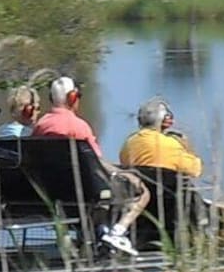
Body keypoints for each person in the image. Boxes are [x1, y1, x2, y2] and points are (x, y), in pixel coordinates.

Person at [33, 76, 149, 256]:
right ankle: (116, 231)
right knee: (141, 191)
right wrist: (124, 173)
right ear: (72, 98)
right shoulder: (79, 127)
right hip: (84, 192)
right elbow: (96, 162)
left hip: (53, 192)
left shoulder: (41, 126)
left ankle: (93, 235)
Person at [119, 96, 202, 177]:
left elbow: (124, 164)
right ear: (165, 119)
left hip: (137, 186)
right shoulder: (171, 143)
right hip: (167, 188)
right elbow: (194, 170)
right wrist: (187, 146)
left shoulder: (128, 143)